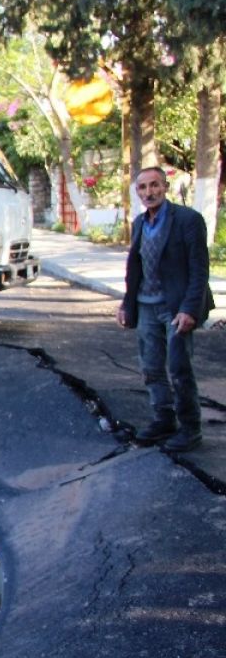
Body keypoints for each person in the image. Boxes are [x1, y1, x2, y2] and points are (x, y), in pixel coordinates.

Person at [116, 166, 215, 452]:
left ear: (165, 186)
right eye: (143, 187)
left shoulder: (188, 220)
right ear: (138, 192)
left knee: (179, 369)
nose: (149, 192)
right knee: (151, 368)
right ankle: (164, 420)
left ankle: (191, 429)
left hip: (176, 308)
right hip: (146, 306)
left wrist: (189, 310)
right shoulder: (140, 222)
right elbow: (134, 267)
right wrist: (127, 303)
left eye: (154, 185)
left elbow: (199, 270)